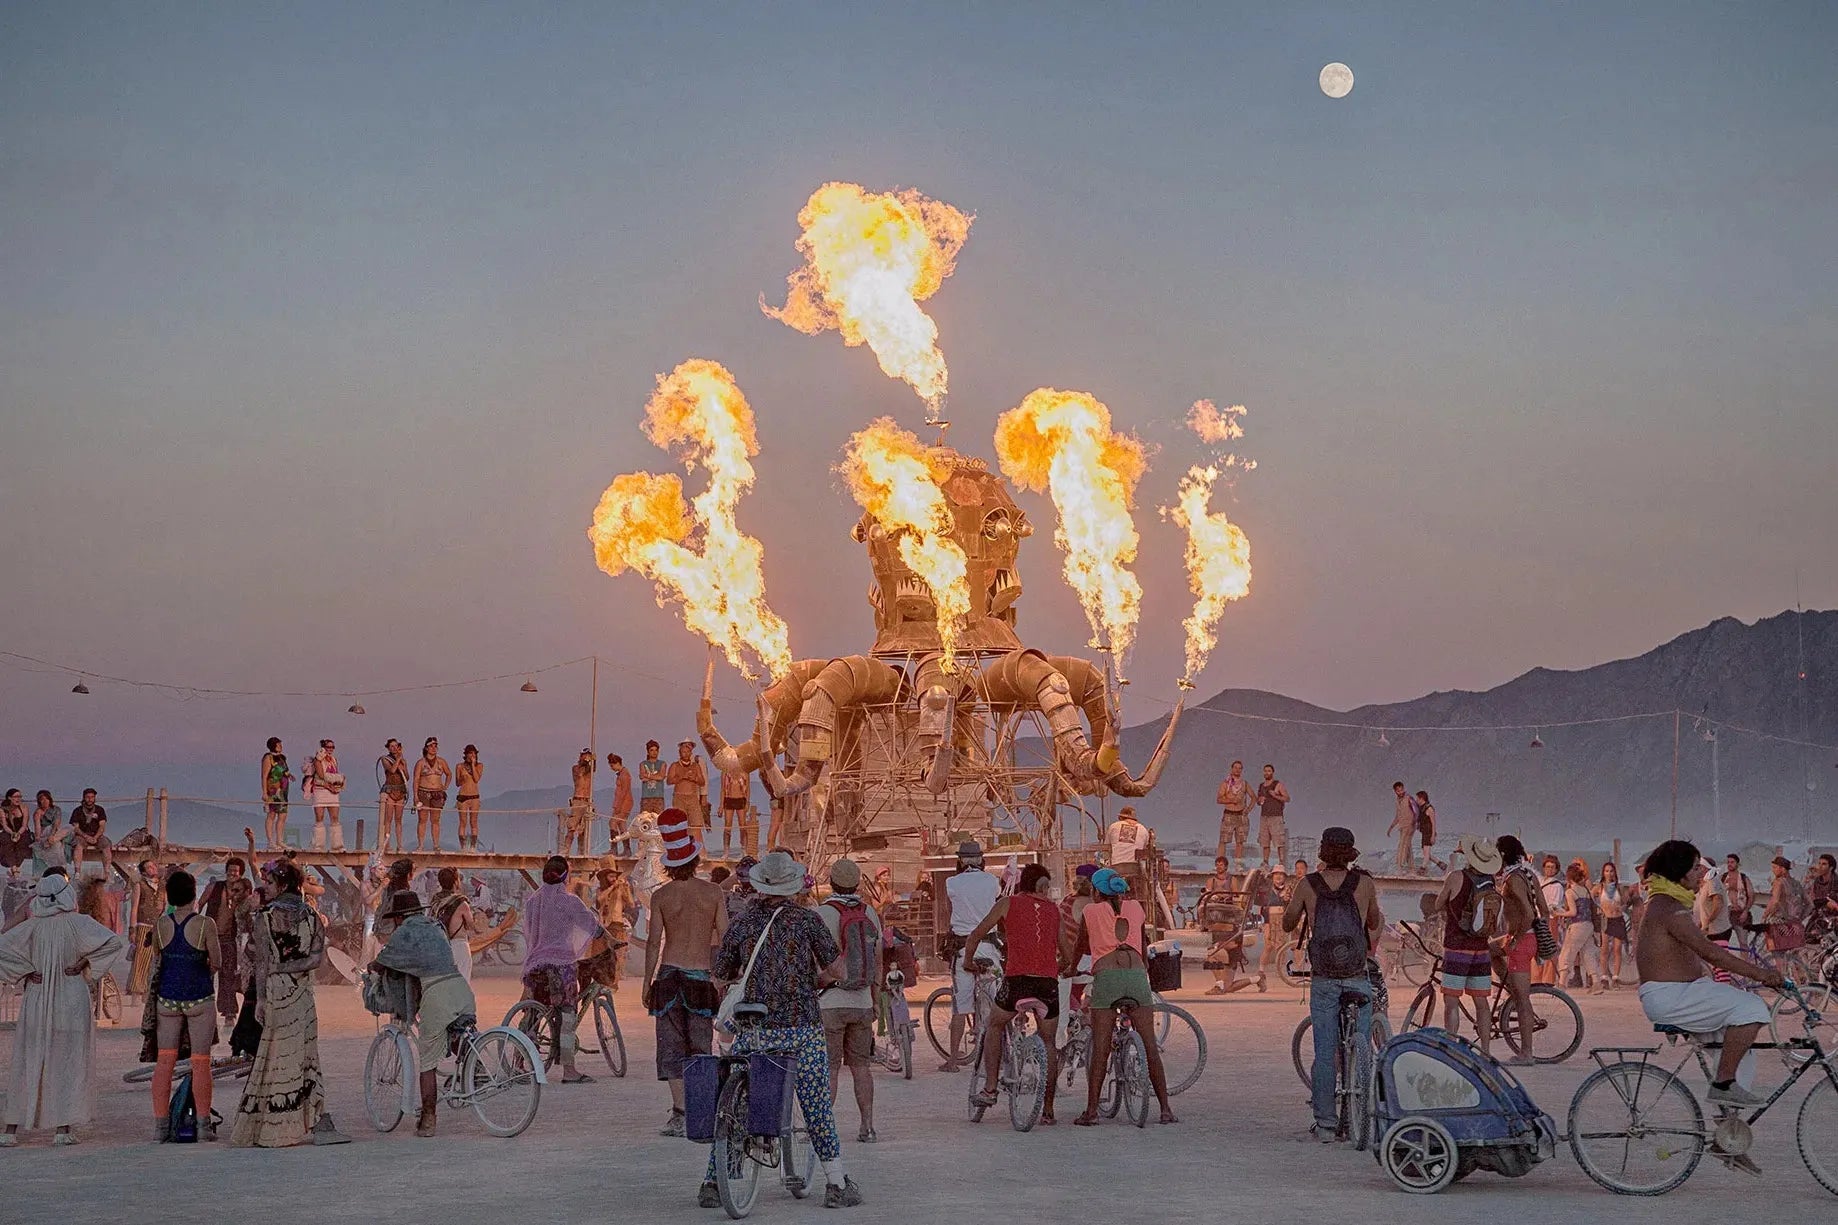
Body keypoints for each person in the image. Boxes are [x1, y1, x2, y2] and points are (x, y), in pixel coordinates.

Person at [704, 851, 862, 1209]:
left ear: (759, 885)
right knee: (816, 1102)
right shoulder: (807, 921)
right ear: (793, 886)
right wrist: (813, 979)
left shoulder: (742, 923)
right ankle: (836, 1183)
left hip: (752, 1026)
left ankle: (713, 1182)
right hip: (799, 1027)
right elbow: (836, 970)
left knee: (737, 1106)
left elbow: (722, 972)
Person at [1636, 838, 1784, 1165]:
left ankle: (1727, 1137)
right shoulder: (1669, 908)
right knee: (1752, 1009)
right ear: (1678, 871)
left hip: (1685, 992)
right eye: (1693, 867)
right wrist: (1763, 974)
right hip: (1673, 996)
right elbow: (1711, 952)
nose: (1699, 871)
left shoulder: (1668, 902)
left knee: (1738, 1053)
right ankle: (1723, 1083)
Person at [0, 872, 126, 1146]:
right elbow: (112, 942)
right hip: (70, 995)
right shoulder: (79, 923)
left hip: (38, 995)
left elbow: (3, 948)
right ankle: (62, 1129)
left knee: (28, 1058)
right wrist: (84, 964)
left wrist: (25, 970)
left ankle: (10, 1131)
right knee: (67, 1060)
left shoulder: (32, 926)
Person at [232, 859, 348, 1146]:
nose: (265, 888)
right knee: (303, 1055)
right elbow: (315, 959)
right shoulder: (311, 916)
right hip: (302, 994)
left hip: (274, 991)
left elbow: (259, 961)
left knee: (272, 1055)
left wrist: (261, 996)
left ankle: (270, 1126)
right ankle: (299, 1121)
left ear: (282, 884)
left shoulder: (265, 916)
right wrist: (291, 968)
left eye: (269, 883)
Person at [1283, 826, 1384, 1139]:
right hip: (1356, 974)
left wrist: (1301, 906)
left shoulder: (1307, 884)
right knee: (1362, 1047)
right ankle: (1364, 1115)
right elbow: (1374, 923)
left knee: (1325, 1052)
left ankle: (1326, 1124)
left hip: (1324, 977)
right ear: (1351, 853)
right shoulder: (1364, 883)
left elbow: (1288, 923)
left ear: (1322, 853)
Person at [954, 862, 1065, 1122]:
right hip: (1047, 983)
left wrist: (968, 962)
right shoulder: (1054, 910)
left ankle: (991, 1088)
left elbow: (976, 935)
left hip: (1017, 981)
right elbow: (1067, 951)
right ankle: (1048, 1110)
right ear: (1043, 886)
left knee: (994, 1025)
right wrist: (1062, 968)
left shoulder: (1007, 903)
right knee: (1049, 1043)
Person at [1071, 867, 1177, 1126]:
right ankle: (1165, 1110)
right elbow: (1141, 946)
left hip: (1108, 978)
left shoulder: (1090, 911)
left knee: (1101, 1047)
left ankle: (1092, 1112)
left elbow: (1080, 946)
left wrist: (1070, 967)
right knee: (1150, 1046)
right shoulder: (1137, 909)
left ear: (1096, 892)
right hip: (1137, 977)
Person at [369, 889, 478, 1137]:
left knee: (427, 1063)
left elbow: (384, 960)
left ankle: (428, 1119)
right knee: (460, 1037)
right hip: (461, 989)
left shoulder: (404, 931)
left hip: (437, 994)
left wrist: (371, 967)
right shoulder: (436, 927)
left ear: (398, 917)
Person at [644, 810, 727, 1134]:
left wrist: (647, 982)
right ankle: (702, 1111)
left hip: (667, 977)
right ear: (694, 860)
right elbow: (725, 939)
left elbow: (653, 944)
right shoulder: (713, 893)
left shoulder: (661, 896)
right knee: (701, 1046)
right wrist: (721, 978)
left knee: (670, 1048)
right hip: (700, 977)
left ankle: (680, 1114)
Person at [145, 869, 222, 1140]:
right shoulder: (205, 924)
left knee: (164, 1061)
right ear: (193, 894)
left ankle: (160, 1127)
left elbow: (158, 958)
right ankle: (202, 1126)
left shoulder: (160, 924)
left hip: (167, 999)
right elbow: (217, 962)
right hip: (199, 997)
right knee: (200, 1062)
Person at [816, 859, 884, 1141]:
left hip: (829, 1002)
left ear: (831, 882)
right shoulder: (870, 912)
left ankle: (822, 1129)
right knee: (861, 1067)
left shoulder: (820, 913)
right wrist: (875, 996)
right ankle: (867, 1126)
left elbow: (814, 962)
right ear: (857, 883)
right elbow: (878, 958)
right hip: (862, 1002)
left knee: (830, 1067)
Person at [522, 855, 604, 1085]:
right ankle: (569, 1070)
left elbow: (528, 932)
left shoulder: (533, 901)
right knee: (567, 1016)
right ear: (565, 877)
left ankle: (519, 1062)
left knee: (533, 1014)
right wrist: (605, 936)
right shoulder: (570, 902)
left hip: (536, 965)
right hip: (561, 967)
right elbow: (591, 926)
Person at [1431, 834, 1504, 1056]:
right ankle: (1486, 1051)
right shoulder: (1490, 881)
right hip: (1481, 947)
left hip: (1456, 947)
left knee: (1451, 1000)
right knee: (1481, 1001)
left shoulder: (1455, 877)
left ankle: (1451, 1046)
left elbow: (1438, 904)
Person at [940, 840, 1002, 1072]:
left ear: (960, 861)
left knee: (961, 1005)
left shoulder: (951, 883)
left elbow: (950, 912)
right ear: (980, 860)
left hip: (964, 947)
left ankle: (953, 1060)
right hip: (989, 947)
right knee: (994, 1003)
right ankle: (999, 1056)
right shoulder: (992, 881)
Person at [1493, 835, 1544, 1065]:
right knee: (1489, 952)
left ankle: (1527, 1053)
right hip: (1523, 937)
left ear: (1502, 855)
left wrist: (1517, 938)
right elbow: (1544, 909)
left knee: (1523, 1000)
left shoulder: (1513, 880)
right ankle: (1511, 990)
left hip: (1522, 941)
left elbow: (1529, 914)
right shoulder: (1529, 875)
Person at [201, 858, 256, 1022]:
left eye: (236, 871)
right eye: (230, 870)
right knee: (206, 974)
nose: (233, 873)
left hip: (230, 940)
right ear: (226, 870)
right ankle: (203, 1009)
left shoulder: (244, 892)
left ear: (240, 874)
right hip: (211, 938)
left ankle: (229, 1012)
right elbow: (200, 904)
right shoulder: (215, 887)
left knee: (228, 976)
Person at [1557, 861, 1605, 993]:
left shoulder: (1570, 892)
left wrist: (1558, 913)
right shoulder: (1586, 891)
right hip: (1589, 925)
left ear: (1569, 877)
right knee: (1588, 952)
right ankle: (1596, 982)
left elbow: (1573, 912)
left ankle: (1562, 984)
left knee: (1567, 952)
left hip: (1577, 925)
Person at [428, 867, 474, 983]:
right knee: (462, 983)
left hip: (440, 946)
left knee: (443, 983)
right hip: (458, 946)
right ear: (455, 882)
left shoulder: (435, 901)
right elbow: (471, 925)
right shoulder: (461, 902)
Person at [1755, 855, 1809, 952]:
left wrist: (1765, 916)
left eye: (1775, 868)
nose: (1773, 870)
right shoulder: (1797, 883)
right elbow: (1810, 904)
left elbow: (1774, 901)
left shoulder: (1779, 882)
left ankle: (1778, 967)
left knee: (1776, 952)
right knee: (1791, 952)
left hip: (1779, 921)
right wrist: (1800, 918)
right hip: (1794, 923)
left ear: (1783, 869)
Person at [126, 859, 163, 999]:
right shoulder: (139, 885)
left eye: (153, 865)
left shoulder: (162, 886)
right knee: (140, 960)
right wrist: (132, 929)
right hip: (143, 926)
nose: (153, 868)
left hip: (158, 926)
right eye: (149, 867)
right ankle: (136, 992)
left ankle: (149, 992)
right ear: (143, 871)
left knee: (155, 960)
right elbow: (134, 908)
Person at [412, 737, 451, 853]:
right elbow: (416, 780)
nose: (434, 748)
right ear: (426, 748)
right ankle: (421, 845)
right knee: (422, 819)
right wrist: (415, 796)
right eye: (431, 746)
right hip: (423, 792)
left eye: (435, 746)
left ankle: (436, 845)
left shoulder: (442, 762)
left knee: (436, 820)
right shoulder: (420, 763)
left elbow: (449, 774)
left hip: (437, 793)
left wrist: (445, 786)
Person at [1596, 861, 1630, 988]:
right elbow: (1590, 896)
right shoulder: (1599, 887)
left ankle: (1616, 976)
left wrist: (1622, 906)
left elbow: (1626, 902)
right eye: (1606, 871)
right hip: (1606, 919)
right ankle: (1604, 976)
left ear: (1614, 872)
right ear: (1603, 873)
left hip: (1617, 918)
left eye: (1611, 871)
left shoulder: (1619, 887)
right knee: (1604, 948)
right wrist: (1598, 908)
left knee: (1617, 948)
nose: (1609, 873)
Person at [1105, 805, 1152, 896]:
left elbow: (1106, 847)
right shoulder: (1143, 829)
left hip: (1116, 867)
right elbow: (1145, 849)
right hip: (1136, 868)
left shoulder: (1114, 826)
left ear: (1120, 817)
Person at [1533, 855, 1566, 985]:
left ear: (1556, 869)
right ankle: (1536, 978)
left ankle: (1548, 979)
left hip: (1549, 919)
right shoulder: (1540, 881)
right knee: (1536, 948)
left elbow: (1554, 905)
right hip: (1538, 918)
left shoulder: (1557, 885)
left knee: (1548, 948)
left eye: (1552, 867)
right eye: (1547, 867)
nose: (1550, 869)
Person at [66, 788, 113, 876]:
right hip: (81, 835)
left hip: (97, 835)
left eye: (92, 797)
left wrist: (95, 837)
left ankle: (107, 872)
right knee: (78, 846)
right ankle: (77, 872)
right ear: (84, 798)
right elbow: (75, 828)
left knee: (106, 845)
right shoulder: (77, 811)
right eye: (87, 797)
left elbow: (102, 826)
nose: (90, 799)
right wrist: (86, 836)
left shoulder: (100, 810)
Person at [666, 740, 707, 839]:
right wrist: (681, 776)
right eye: (683, 752)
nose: (686, 754)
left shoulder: (696, 766)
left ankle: (698, 850)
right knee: (680, 825)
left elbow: (702, 782)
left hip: (692, 798)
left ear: (691, 753)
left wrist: (694, 778)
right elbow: (669, 781)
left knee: (696, 824)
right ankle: (682, 849)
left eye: (688, 752)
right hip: (679, 798)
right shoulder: (674, 765)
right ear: (680, 753)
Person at [376, 739, 411, 853]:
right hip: (390, 790)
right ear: (388, 747)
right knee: (388, 819)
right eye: (392, 746)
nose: (394, 748)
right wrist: (398, 760)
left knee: (399, 819)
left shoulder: (403, 761)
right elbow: (392, 770)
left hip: (400, 791)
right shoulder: (385, 759)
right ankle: (387, 844)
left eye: (396, 746)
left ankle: (400, 845)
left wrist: (404, 764)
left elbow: (407, 776)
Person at [1216, 760, 1252, 863]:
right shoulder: (1226, 783)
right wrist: (1232, 800)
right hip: (1229, 814)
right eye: (1235, 767)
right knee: (1223, 840)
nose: (1237, 770)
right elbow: (1219, 799)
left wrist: (1248, 809)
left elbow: (1253, 797)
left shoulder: (1244, 784)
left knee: (1240, 841)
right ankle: (1220, 863)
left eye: (1240, 768)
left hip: (1241, 815)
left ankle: (1238, 864)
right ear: (1232, 769)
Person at [260, 738, 293, 850]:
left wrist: (289, 776)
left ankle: (280, 840)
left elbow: (284, 770)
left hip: (283, 790)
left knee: (283, 815)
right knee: (272, 814)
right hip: (273, 789)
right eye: (278, 744)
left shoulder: (282, 758)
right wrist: (264, 792)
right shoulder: (268, 758)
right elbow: (264, 776)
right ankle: (270, 841)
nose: (280, 746)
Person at [1256, 764, 1289, 867]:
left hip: (1276, 816)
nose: (1267, 773)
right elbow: (1258, 801)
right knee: (1265, 841)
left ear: (1272, 772)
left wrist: (1275, 795)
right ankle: (1265, 861)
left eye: (1269, 771)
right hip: (1264, 816)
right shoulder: (1261, 786)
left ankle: (1281, 862)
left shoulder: (1277, 784)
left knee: (1279, 841)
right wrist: (1259, 800)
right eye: (1265, 771)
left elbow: (1287, 798)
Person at [1724, 854, 1757, 953]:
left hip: (1739, 913)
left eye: (1732, 862)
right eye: (1728, 862)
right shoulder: (1723, 878)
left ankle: (1745, 964)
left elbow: (1751, 896)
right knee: (1722, 943)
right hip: (1726, 913)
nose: (1730, 864)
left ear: (1737, 864)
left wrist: (1746, 911)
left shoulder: (1743, 878)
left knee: (1743, 943)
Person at [564, 747, 594, 855]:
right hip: (578, 800)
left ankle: (581, 852)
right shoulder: (576, 768)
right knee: (572, 827)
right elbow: (580, 773)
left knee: (584, 829)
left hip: (587, 801)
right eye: (585, 755)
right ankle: (566, 850)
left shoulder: (590, 769)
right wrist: (585, 762)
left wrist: (593, 760)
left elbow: (592, 768)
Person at [455, 745, 484, 851]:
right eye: (470, 753)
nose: (472, 755)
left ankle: (473, 846)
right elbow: (457, 783)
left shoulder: (479, 766)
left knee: (473, 821)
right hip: (463, 796)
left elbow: (476, 778)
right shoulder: (459, 766)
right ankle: (463, 846)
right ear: (466, 754)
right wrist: (462, 778)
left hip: (474, 797)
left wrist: (473, 764)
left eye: (474, 753)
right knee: (463, 821)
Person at [718, 765, 750, 858]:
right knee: (727, 825)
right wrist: (721, 805)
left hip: (741, 799)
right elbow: (723, 790)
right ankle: (726, 850)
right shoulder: (725, 771)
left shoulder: (745, 771)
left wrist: (747, 802)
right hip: (729, 800)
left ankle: (744, 849)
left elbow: (748, 789)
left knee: (743, 825)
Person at [30, 790, 66, 872]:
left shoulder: (56, 809)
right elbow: (37, 827)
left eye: (47, 799)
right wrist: (38, 837)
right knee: (49, 833)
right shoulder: (38, 812)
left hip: (54, 833)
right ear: (39, 801)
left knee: (69, 828)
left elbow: (56, 824)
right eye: (42, 799)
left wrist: (52, 835)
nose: (45, 801)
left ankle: (60, 869)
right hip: (44, 833)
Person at [606, 752, 634, 853]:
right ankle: (627, 849)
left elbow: (624, 791)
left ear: (617, 763)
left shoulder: (625, 774)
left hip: (624, 803)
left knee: (612, 822)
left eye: (612, 765)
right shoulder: (621, 774)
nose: (611, 768)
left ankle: (614, 849)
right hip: (621, 802)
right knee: (622, 824)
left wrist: (618, 806)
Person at [1387, 782, 1417, 873]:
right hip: (1402, 826)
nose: (1400, 792)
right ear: (1395, 791)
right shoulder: (1397, 801)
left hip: (1409, 825)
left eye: (1401, 789)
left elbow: (1416, 811)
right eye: (1398, 791)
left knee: (1402, 844)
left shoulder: (1409, 798)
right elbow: (1398, 816)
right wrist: (1391, 827)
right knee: (1407, 846)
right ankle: (1412, 868)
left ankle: (1400, 866)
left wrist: (1414, 823)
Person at [0, 789, 30, 878]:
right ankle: (13, 868)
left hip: (22, 831)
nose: (18, 799)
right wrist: (13, 833)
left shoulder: (24, 807)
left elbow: (24, 825)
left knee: (23, 842)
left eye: (20, 797)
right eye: (16, 797)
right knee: (7, 842)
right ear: (9, 798)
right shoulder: (3, 810)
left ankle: (17, 867)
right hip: (9, 831)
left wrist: (18, 833)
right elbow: (5, 825)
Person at [1809, 854, 1838, 940]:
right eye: (1819, 863)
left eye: (1824, 864)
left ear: (1831, 867)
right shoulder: (1817, 881)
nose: (1820, 866)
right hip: (1820, 911)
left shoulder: (1836, 881)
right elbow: (1814, 898)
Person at [638, 740, 667, 814]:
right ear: (648, 752)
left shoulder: (662, 763)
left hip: (658, 797)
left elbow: (661, 777)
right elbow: (642, 777)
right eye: (651, 750)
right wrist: (656, 776)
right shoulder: (643, 763)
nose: (654, 752)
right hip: (646, 797)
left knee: (659, 819)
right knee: (645, 820)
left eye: (656, 750)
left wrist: (647, 776)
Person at [1413, 790, 1437, 871]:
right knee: (1426, 853)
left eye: (1417, 799)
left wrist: (1433, 835)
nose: (1416, 800)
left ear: (1422, 798)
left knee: (1426, 854)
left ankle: (1422, 869)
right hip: (1424, 832)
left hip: (1429, 832)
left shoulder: (1429, 808)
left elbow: (1433, 823)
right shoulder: (1421, 808)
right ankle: (1441, 864)